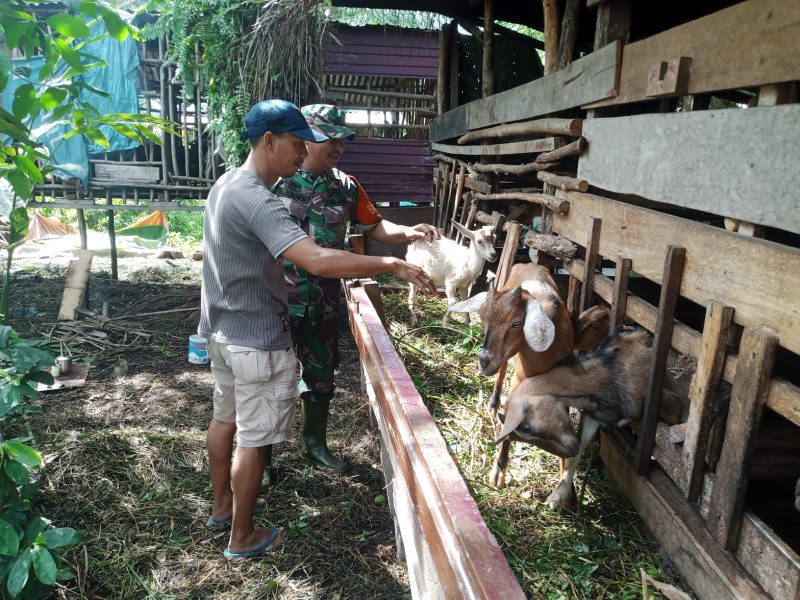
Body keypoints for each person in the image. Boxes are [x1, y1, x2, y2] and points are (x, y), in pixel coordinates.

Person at [198, 99, 436, 559]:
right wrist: (390, 264)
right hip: (257, 332)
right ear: (270, 141)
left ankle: (225, 506)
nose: (303, 151)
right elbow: (319, 260)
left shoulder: (226, 184)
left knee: (227, 418)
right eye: (297, 142)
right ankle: (242, 537)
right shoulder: (261, 196)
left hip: (226, 329)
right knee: (254, 438)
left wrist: (401, 238)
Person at [273, 103, 440, 473]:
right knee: (270, 379)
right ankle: (262, 458)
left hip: (323, 302)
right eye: (330, 139)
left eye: (342, 140)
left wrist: (409, 230)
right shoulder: (275, 181)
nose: (338, 147)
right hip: (277, 301)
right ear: (305, 137)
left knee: (321, 376)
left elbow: (375, 227)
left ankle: (315, 445)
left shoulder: (345, 185)